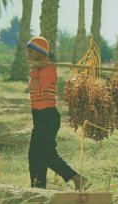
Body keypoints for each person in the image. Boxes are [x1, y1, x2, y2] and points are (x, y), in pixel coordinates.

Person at [26, 36, 89, 190]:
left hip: (48, 117)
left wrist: (37, 69)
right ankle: (38, 188)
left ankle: (76, 178)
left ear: (39, 53)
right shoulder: (39, 69)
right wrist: (36, 68)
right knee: (35, 155)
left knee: (46, 153)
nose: (27, 55)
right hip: (39, 118)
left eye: (30, 52)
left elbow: (38, 88)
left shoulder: (49, 70)